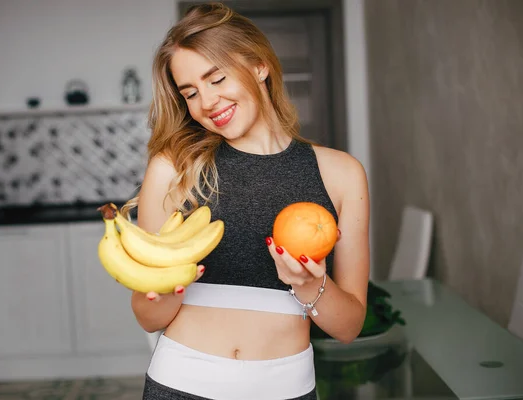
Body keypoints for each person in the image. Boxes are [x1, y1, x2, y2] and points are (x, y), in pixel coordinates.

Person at [122, 3, 370, 399]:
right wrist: (170, 287)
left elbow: (348, 327)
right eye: (191, 93)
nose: (207, 102)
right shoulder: (174, 170)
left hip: (287, 389)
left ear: (259, 65)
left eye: (217, 78)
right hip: (180, 384)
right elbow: (147, 317)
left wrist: (310, 285)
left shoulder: (341, 174)